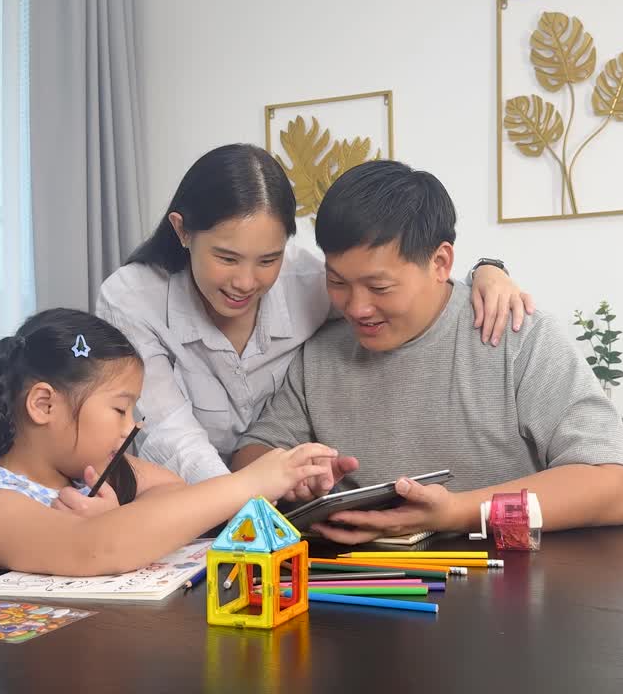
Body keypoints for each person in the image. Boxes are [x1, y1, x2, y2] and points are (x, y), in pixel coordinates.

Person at [231, 160, 623, 544]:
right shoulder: (321, 355)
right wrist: (292, 478)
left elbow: (617, 487)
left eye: (379, 287)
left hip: (509, 592)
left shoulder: (517, 337)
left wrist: (459, 511)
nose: (355, 307)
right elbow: (252, 454)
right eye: (337, 282)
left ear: (441, 261)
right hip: (364, 592)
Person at [96, 143, 533, 484]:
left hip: (269, 500)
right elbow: (171, 434)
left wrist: (487, 271)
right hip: (181, 496)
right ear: (182, 230)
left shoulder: (310, 280)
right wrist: (248, 510)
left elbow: (407, 280)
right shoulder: (133, 298)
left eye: (268, 260)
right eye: (227, 259)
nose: (246, 282)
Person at [0, 308, 335, 585]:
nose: (133, 427)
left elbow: (172, 491)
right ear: (43, 404)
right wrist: (249, 483)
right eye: (120, 409)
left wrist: (122, 516)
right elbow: (95, 546)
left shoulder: (83, 474)